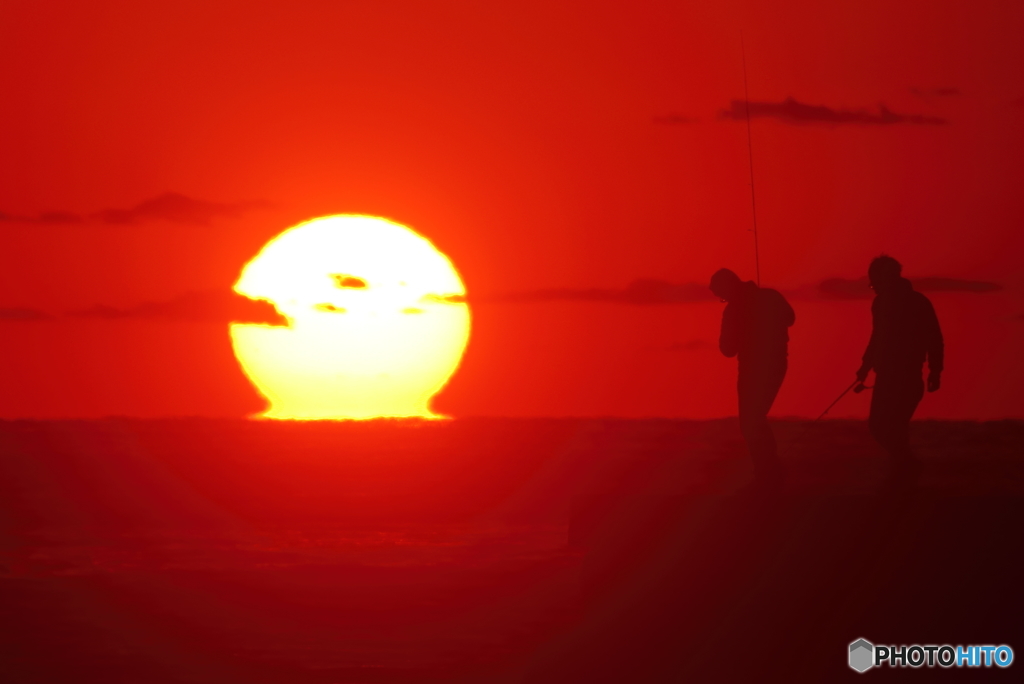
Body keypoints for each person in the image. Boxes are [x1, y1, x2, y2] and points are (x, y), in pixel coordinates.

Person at [856, 256, 943, 474]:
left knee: (884, 427)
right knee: (886, 428)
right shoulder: (886, 302)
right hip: (887, 377)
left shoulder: (916, 302)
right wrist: (865, 368)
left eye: (874, 283)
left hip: (907, 377)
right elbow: (877, 338)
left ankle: (907, 469)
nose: (873, 289)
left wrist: (935, 371)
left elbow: (933, 338)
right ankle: (906, 472)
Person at [710, 268, 795, 484]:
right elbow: (790, 318)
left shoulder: (733, 311)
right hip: (777, 365)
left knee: (750, 421)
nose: (723, 300)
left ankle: (769, 471)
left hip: (752, 370)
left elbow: (727, 350)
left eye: (722, 296)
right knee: (755, 419)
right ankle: (768, 469)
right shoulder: (770, 296)